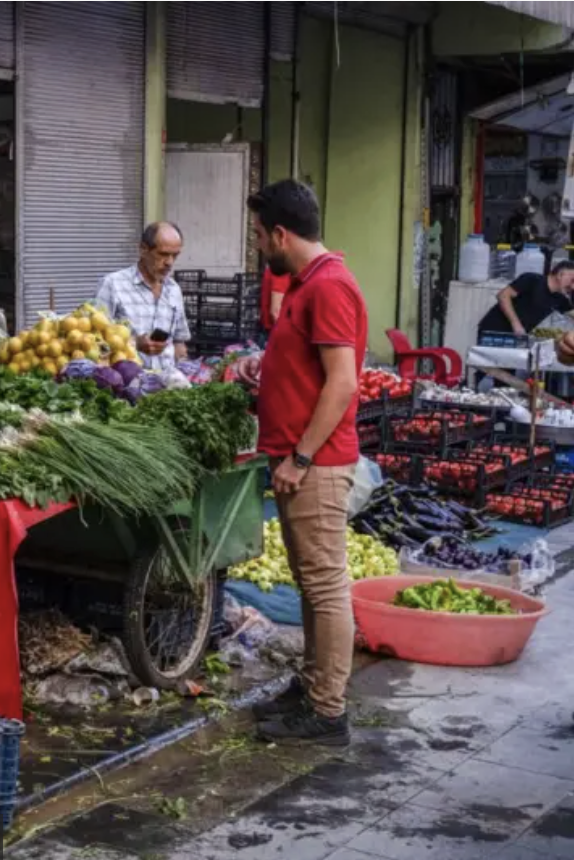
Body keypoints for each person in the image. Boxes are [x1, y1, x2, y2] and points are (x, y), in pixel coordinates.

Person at [242, 179, 368, 747]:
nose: (257, 245)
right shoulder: (307, 283)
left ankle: (327, 712)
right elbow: (310, 369)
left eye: (259, 235)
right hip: (302, 460)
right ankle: (314, 686)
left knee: (324, 586)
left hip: (315, 464)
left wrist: (300, 456)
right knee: (313, 585)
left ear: (281, 234)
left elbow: (343, 383)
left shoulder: (329, 287)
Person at [93, 222, 192, 371]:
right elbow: (93, 341)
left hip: (167, 387)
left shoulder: (173, 290)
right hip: (125, 386)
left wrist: (185, 370)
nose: (170, 263)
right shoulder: (113, 284)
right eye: (163, 254)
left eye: (175, 255)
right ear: (143, 249)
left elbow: (179, 341)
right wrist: (135, 344)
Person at [477, 261, 574, 340]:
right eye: (572, 280)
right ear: (560, 274)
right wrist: (516, 324)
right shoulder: (532, 279)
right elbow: (503, 295)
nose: (572, 285)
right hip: (494, 329)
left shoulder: (560, 299)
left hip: (520, 337)